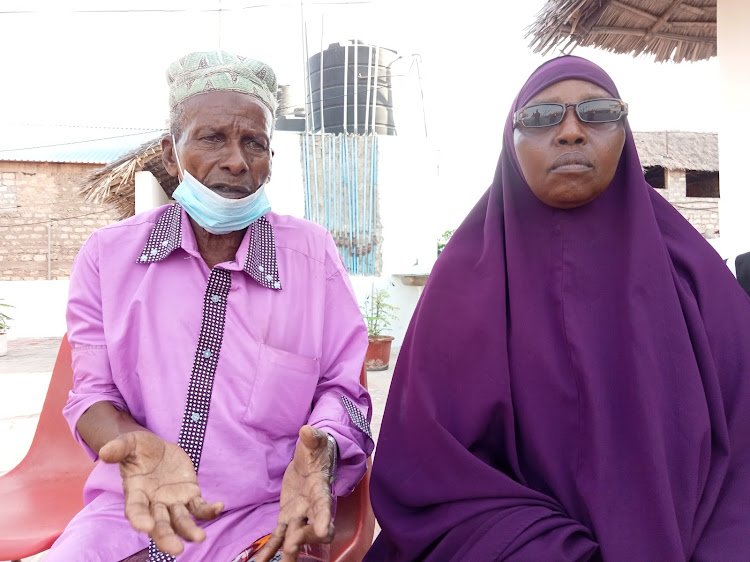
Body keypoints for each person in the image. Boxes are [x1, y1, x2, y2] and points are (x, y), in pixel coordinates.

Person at [366, 56, 750, 561]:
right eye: (543, 118)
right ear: (512, 140)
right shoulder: (459, 288)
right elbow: (425, 470)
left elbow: (742, 455)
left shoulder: (698, 281)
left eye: (597, 112)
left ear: (625, 133)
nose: (571, 132)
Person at [47, 51, 374, 562]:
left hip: (266, 514)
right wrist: (137, 448)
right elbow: (91, 395)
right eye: (212, 137)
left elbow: (344, 390)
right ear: (171, 155)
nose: (237, 160)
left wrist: (324, 452)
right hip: (130, 511)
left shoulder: (311, 257)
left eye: (254, 143)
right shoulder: (108, 257)